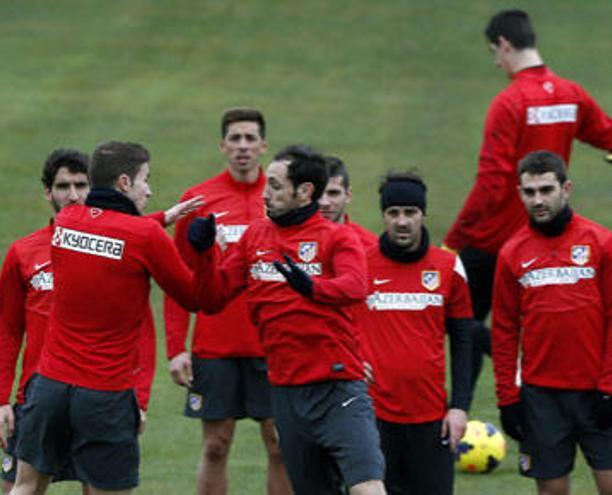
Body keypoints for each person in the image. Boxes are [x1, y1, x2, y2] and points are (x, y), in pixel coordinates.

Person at [444, 9, 612, 392]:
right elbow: (606, 131)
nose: (496, 62)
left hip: (493, 240)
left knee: (456, 321)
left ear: (504, 44)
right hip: (544, 238)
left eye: (494, 52)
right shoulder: (570, 94)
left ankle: (461, 417)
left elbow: (491, 182)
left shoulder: (510, 103)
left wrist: (454, 240)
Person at [10, 141, 209, 495]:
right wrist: (204, 253)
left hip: (49, 386)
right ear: (124, 183)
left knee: (25, 488)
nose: (149, 188)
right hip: (104, 393)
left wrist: (162, 217)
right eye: (146, 179)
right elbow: (197, 298)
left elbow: (110, 235)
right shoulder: (146, 236)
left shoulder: (68, 221)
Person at [189, 146, 386, 495]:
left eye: (276, 186)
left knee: (366, 488)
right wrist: (203, 254)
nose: (266, 193)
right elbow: (211, 298)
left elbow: (356, 286)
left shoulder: (336, 237)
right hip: (285, 393)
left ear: (305, 191)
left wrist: (311, 287)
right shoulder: (255, 237)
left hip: (338, 387)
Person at [163, 108, 291, 495]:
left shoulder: (282, 198)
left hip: (273, 344)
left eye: (250, 138)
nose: (242, 146)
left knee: (280, 445)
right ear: (222, 146)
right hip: (214, 348)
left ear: (263, 145)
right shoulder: (197, 201)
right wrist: (175, 348)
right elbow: (178, 278)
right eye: (234, 139)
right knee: (216, 446)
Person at [492, 151, 612, 495]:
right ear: (520, 193)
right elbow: (504, 331)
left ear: (565, 188)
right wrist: (507, 398)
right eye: (529, 192)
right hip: (542, 397)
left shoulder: (600, 242)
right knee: (552, 490)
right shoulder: (513, 252)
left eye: (546, 189)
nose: (538, 200)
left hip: (596, 390)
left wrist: (610, 387)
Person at [357, 171, 473, 495]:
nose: (402, 222)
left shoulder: (448, 267)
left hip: (432, 418)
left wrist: (460, 406)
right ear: (384, 216)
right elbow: (333, 327)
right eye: (394, 213)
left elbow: (463, 341)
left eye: (410, 212)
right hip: (372, 418)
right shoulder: (360, 265)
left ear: (423, 213)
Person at [318, 155, 377, 247]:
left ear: (348, 195)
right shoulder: (291, 241)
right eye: (317, 194)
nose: (324, 202)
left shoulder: (369, 245)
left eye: (333, 193)